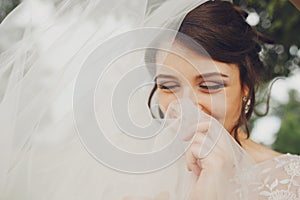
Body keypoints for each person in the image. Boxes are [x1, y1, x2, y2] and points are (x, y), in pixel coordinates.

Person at [0, 0, 299, 199]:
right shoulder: (127, 179)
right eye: (168, 86)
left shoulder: (290, 183)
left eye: (209, 86)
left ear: (245, 88)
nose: (187, 106)